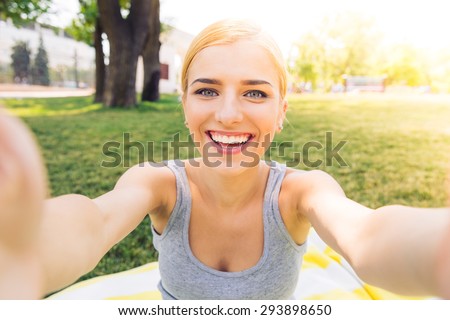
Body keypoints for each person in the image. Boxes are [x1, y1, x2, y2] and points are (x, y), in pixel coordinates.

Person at [1, 19, 449, 300]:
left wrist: (438, 253)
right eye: (207, 90)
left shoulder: (301, 191)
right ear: (186, 105)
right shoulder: (159, 184)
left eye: (255, 92)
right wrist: (21, 251)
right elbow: (94, 221)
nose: (229, 114)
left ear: (281, 110)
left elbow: (368, 234)